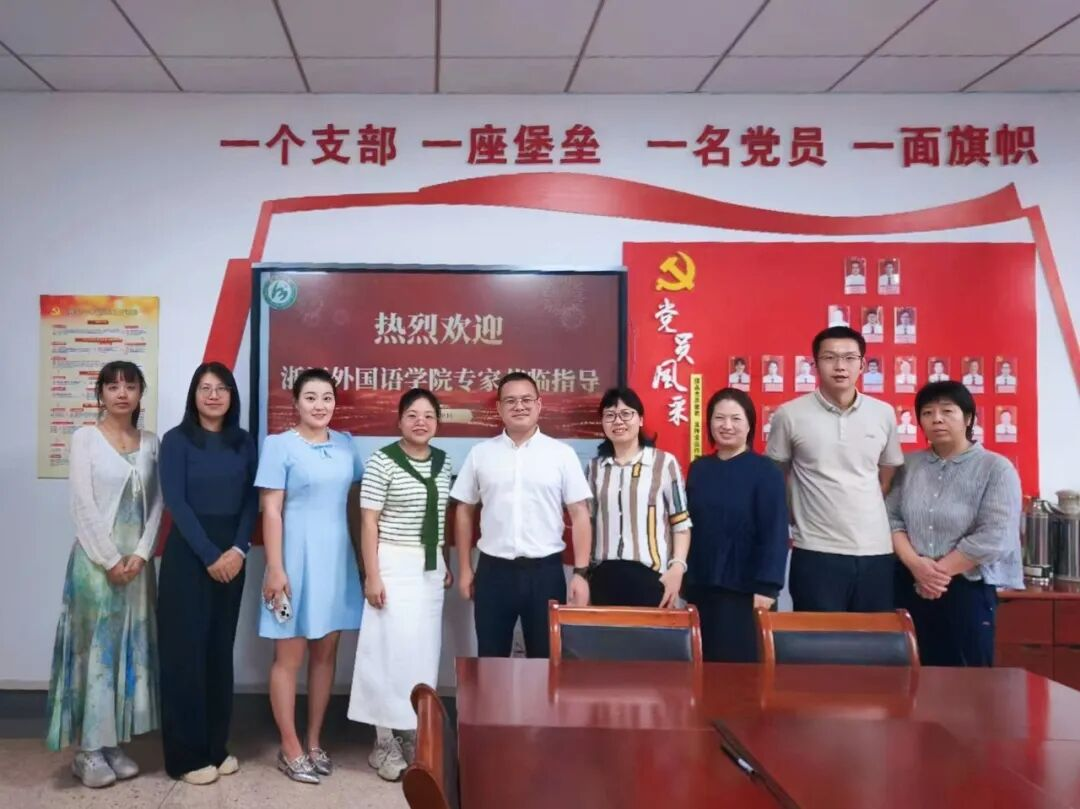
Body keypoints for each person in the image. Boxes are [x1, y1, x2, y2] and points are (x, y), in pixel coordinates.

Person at [46, 361, 163, 788]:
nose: (121, 393)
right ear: (100, 394)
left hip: (137, 569)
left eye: (130, 386)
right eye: (112, 386)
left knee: (127, 652)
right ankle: (88, 751)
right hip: (96, 567)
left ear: (140, 394)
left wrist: (142, 555)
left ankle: (112, 743)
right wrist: (111, 559)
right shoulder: (86, 439)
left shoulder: (151, 442)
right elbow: (82, 504)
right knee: (95, 654)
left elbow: (158, 504)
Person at [257, 368, 364, 784]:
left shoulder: (346, 445)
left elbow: (355, 503)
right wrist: (275, 567)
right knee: (289, 657)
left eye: (327, 398)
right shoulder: (279, 445)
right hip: (293, 562)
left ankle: (314, 740)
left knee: (325, 655)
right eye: (311, 397)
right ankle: (290, 747)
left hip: (336, 563)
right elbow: (271, 510)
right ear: (296, 402)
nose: (320, 405)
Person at [158, 362, 257, 785]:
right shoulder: (176, 440)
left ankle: (216, 748)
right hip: (189, 555)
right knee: (185, 655)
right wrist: (210, 555)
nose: (213, 395)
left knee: (218, 653)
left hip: (233, 557)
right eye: (205, 388)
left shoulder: (244, 442)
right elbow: (175, 502)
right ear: (193, 395)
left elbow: (252, 500)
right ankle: (185, 757)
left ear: (232, 395)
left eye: (221, 388)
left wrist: (237, 549)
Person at [348, 389, 453, 782]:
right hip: (391, 563)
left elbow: (439, 517)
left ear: (437, 422)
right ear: (399, 420)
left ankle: (411, 731)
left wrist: (442, 561)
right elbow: (369, 522)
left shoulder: (443, 461)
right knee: (386, 652)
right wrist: (372, 575)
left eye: (428, 415)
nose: (420, 422)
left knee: (422, 653)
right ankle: (383, 741)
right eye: (412, 415)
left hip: (429, 568)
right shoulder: (383, 460)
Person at [452, 372, 592, 658]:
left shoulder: (561, 454)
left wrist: (580, 573)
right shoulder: (481, 453)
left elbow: (580, 514)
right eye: (511, 401)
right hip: (493, 573)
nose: (519, 406)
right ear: (499, 408)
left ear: (539, 405)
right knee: (490, 660)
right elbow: (464, 510)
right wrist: (465, 569)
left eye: (527, 399)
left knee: (546, 661)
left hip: (545, 574)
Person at [766, 327, 904, 612]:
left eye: (850, 358)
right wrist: (797, 511)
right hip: (816, 549)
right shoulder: (790, 414)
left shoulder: (883, 413)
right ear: (815, 364)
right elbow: (776, 475)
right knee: (818, 636)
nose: (840, 366)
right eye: (830, 357)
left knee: (874, 636)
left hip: (876, 550)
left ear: (862, 364)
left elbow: (887, 474)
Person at [888, 381, 1022, 666]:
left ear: (968, 418)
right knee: (909, 674)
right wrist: (916, 566)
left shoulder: (996, 468)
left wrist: (936, 575)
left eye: (947, 411)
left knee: (967, 679)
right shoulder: (908, 466)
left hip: (966, 588)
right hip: (908, 583)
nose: (936, 419)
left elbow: (995, 535)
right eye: (927, 413)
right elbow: (891, 519)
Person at [685, 389, 789, 662]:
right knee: (702, 667)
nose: (727, 426)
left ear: (750, 424)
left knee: (742, 672)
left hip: (747, 592)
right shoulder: (699, 469)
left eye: (735, 419)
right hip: (702, 588)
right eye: (719, 418)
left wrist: (768, 588)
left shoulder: (766, 471)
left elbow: (775, 533)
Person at [585, 388, 691, 607]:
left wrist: (677, 567)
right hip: (604, 577)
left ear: (640, 419)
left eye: (626, 414)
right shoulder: (594, 468)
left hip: (652, 578)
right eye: (610, 415)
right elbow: (588, 523)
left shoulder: (664, 463)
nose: (618, 421)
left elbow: (680, 522)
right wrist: (583, 573)